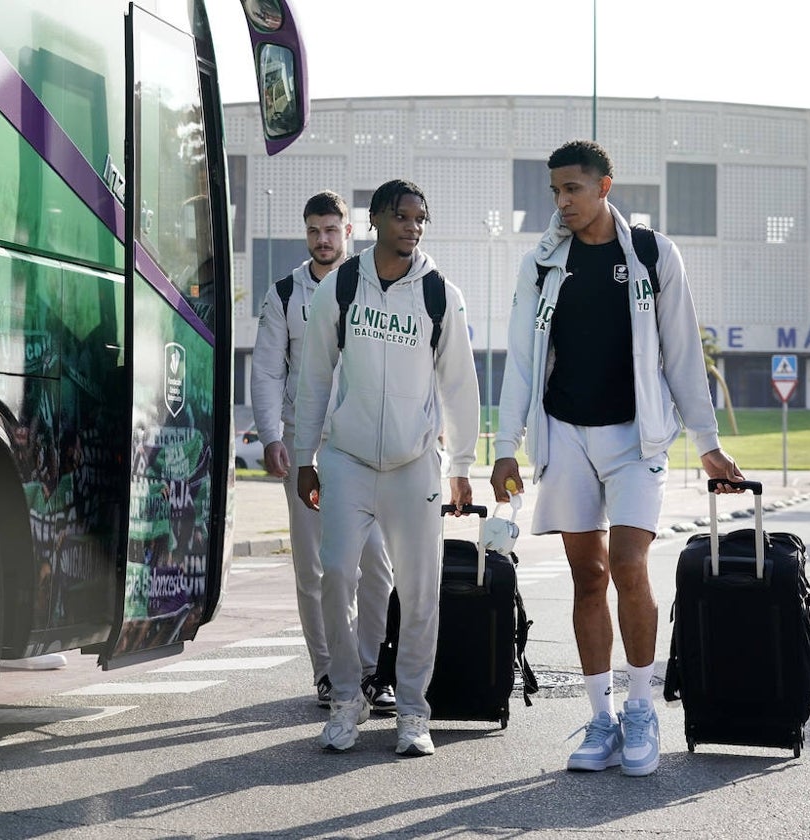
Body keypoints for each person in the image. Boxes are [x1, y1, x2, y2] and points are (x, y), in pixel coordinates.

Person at [490, 139, 745, 778]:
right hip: (566, 436)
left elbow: (682, 352)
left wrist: (707, 444)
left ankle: (640, 706)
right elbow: (520, 362)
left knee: (629, 567)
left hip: (637, 439)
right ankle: (600, 717)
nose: (561, 202)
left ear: (606, 186)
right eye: (554, 191)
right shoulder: (543, 263)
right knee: (586, 578)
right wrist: (503, 448)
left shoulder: (653, 254)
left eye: (572, 188)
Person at [294, 179, 480, 756]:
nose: (413, 227)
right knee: (337, 577)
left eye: (421, 218)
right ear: (375, 219)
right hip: (347, 459)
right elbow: (315, 377)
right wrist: (305, 457)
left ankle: (413, 713)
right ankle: (348, 699)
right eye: (402, 216)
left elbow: (460, 384)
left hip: (414, 464)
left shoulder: (439, 294)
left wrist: (463, 464)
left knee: (421, 591)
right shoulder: (342, 286)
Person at [251, 190, 396, 714]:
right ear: (305, 232)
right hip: (304, 443)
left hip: (364, 445)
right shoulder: (286, 293)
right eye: (314, 231)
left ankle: (372, 669)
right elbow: (268, 370)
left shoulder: (371, 285)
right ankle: (330, 674)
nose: (322, 240)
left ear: (349, 232)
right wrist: (272, 436)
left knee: (376, 564)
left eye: (331, 230)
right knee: (314, 567)